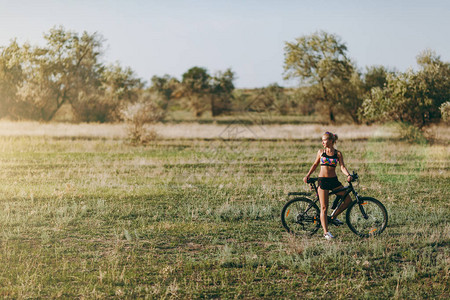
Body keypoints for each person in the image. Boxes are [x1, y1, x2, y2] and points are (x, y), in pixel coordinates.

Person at [303, 132, 353, 240]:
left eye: (324, 140)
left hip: (334, 181)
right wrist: (307, 175)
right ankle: (326, 233)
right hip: (323, 181)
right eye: (322, 140)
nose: (323, 142)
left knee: (348, 200)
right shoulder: (321, 152)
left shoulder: (338, 153)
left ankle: (333, 217)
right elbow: (315, 164)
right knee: (324, 207)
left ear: (331, 141)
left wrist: (348, 175)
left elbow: (342, 167)